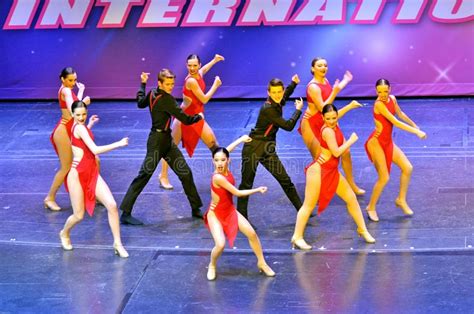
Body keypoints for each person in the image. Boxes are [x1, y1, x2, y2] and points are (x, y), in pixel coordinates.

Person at [120, 69, 204, 225]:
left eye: (172, 84)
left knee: (185, 172)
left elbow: (140, 102)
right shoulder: (167, 100)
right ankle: (125, 213)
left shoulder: (152, 93)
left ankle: (196, 208)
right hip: (157, 143)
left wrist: (143, 84)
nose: (171, 87)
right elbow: (185, 119)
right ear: (160, 83)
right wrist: (198, 117)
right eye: (168, 84)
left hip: (166, 141)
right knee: (144, 175)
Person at [292, 104, 375, 251]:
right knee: (308, 205)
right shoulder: (328, 131)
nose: (331, 121)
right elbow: (336, 153)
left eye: (334, 118)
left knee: (351, 199)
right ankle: (297, 237)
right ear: (323, 118)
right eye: (328, 118)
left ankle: (363, 230)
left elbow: (338, 114)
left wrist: (349, 106)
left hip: (331, 170)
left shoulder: (335, 124)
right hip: (318, 170)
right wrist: (350, 141)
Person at [59, 101, 129, 258]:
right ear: (72, 115)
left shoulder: (80, 127)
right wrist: (118, 143)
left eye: (84, 114)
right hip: (77, 174)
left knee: (111, 205)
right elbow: (95, 149)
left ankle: (117, 243)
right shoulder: (77, 127)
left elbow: (81, 138)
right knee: (78, 215)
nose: (82, 117)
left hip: (91, 172)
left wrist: (89, 125)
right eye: (78, 115)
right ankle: (64, 233)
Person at [205, 135, 275, 281]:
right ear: (213, 161)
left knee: (251, 233)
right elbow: (237, 193)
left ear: (228, 160)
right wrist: (257, 190)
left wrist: (240, 140)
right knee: (220, 244)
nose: (219, 163)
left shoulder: (225, 163)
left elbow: (226, 150)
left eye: (223, 160)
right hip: (215, 213)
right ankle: (212, 265)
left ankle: (261, 262)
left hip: (229, 210)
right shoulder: (217, 177)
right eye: (216, 160)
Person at [236, 75, 303, 223]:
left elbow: (285, 95)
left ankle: (302, 210)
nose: (277, 95)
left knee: (285, 179)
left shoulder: (278, 101)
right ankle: (241, 217)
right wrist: (298, 110)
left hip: (267, 149)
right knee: (246, 184)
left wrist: (293, 83)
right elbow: (288, 126)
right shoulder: (268, 108)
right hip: (253, 147)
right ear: (268, 93)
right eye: (274, 92)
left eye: (279, 91)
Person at [299, 57, 365, 195]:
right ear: (313, 69)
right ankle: (314, 191)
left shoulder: (325, 81)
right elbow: (324, 108)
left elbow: (329, 104)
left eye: (325, 65)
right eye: (319, 65)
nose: (323, 68)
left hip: (328, 120)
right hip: (311, 124)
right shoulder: (313, 87)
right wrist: (335, 92)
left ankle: (351, 184)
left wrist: (345, 81)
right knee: (320, 159)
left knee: (345, 152)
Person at [364, 79, 427, 222]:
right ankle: (371, 207)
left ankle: (401, 199)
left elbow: (400, 114)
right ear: (376, 91)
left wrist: (414, 125)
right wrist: (416, 132)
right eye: (379, 92)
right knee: (384, 178)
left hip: (387, 142)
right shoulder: (379, 104)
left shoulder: (392, 99)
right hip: (376, 143)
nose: (383, 94)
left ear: (390, 89)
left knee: (407, 168)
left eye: (385, 91)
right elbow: (395, 122)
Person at [158, 54, 224, 190]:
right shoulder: (191, 81)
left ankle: (220, 173)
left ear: (199, 64)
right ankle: (163, 176)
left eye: (195, 65)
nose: (192, 68)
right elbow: (204, 99)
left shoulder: (198, 73)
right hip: (184, 118)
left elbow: (203, 70)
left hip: (197, 117)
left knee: (214, 145)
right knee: (170, 148)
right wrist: (216, 85)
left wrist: (214, 60)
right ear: (186, 65)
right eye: (189, 65)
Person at [44, 67, 93, 211]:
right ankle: (49, 197)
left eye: (75, 80)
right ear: (62, 79)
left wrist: (81, 92)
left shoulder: (67, 89)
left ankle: (92, 193)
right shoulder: (64, 90)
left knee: (90, 160)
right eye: (70, 80)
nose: (73, 83)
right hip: (64, 131)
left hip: (71, 129)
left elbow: (74, 103)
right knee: (66, 167)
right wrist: (84, 100)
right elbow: (74, 111)